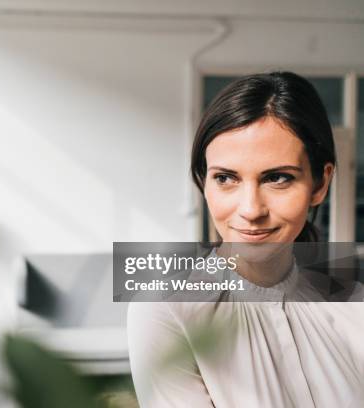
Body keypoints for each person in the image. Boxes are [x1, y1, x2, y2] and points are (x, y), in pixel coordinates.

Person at [127, 72, 364, 407]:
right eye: (226, 178)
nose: (251, 210)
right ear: (203, 183)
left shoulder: (354, 308)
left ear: (319, 184)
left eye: (278, 178)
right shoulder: (167, 308)